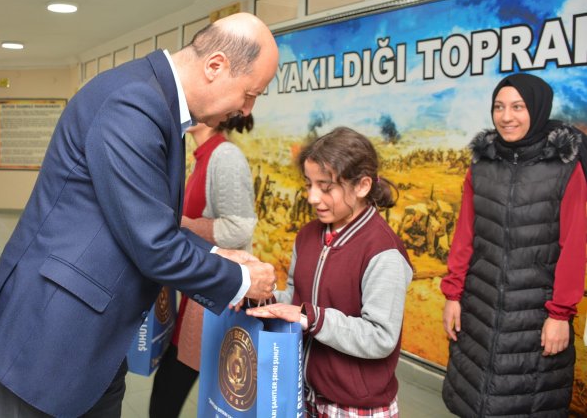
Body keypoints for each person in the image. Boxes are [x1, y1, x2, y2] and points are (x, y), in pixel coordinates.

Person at [0, 12, 279, 418]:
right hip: (53, 336)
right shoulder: (135, 102)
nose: (246, 108)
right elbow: (154, 245)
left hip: (92, 338)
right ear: (215, 65)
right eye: (250, 93)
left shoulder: (153, 100)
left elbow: (146, 220)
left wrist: (219, 254)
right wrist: (241, 280)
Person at [440, 73, 587, 417]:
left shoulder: (565, 168)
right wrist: (452, 295)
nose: (506, 117)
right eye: (499, 107)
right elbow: (465, 235)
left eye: (518, 107)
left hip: (535, 317)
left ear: (537, 109)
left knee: (525, 403)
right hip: (479, 308)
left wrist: (560, 314)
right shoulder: (481, 164)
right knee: (473, 400)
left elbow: (574, 247)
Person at [247, 126, 413, 418]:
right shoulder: (307, 235)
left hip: (353, 406)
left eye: (325, 188)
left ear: (362, 186)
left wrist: (312, 318)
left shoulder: (383, 251)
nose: (312, 197)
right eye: (309, 184)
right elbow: (296, 299)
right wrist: (258, 296)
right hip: (302, 391)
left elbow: (380, 337)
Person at [149, 114, 257, 417]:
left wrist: (179, 225)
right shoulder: (201, 156)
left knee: (167, 396)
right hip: (197, 294)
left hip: (212, 300)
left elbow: (239, 228)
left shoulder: (225, 156)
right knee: (166, 395)